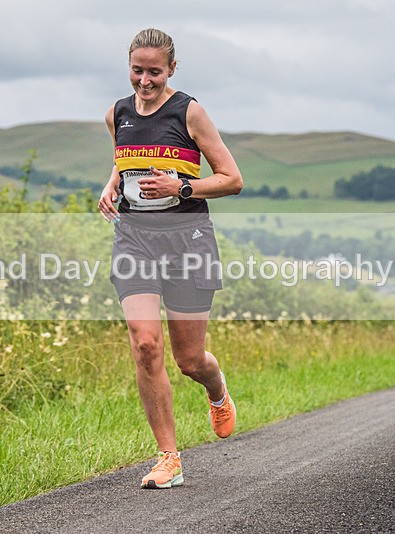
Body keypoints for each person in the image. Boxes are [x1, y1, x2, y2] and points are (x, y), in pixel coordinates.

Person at [98, 28, 242, 489]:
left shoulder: (190, 112)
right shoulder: (116, 113)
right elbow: (126, 158)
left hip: (188, 239)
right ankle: (169, 458)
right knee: (145, 345)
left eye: (154, 72)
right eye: (137, 71)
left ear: (172, 70)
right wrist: (113, 182)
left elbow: (232, 178)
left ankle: (216, 389)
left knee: (190, 360)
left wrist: (181, 187)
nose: (145, 81)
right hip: (134, 238)